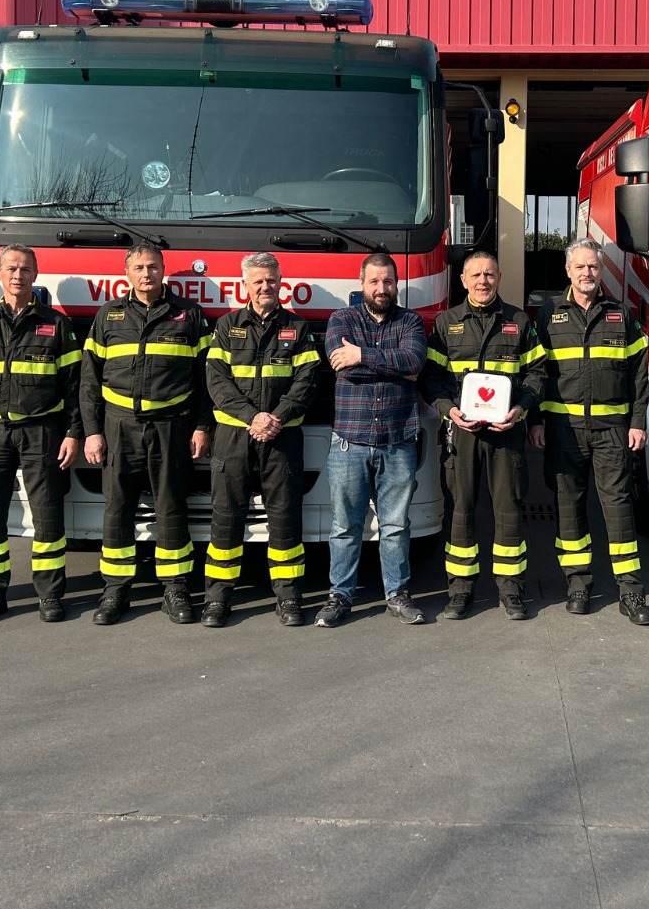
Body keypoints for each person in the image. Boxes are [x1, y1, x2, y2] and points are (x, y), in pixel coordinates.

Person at [80, 244, 212, 625]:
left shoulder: (189, 315)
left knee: (172, 506)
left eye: (152, 266)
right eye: (138, 267)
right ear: (127, 273)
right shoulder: (108, 315)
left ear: (163, 269)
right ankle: (115, 591)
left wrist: (202, 426)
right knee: (117, 507)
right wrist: (92, 431)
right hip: (119, 425)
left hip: (171, 425)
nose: (146, 273)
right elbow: (89, 379)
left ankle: (175, 588)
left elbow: (207, 378)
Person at [0, 245, 83, 624]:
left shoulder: (56, 324)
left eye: (25, 269)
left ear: (35, 275)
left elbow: (73, 386)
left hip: (41, 430)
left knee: (48, 514)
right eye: (10, 268)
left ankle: (49, 595)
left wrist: (73, 432)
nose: (18, 275)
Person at [530, 239, 649, 624]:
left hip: (611, 432)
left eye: (593, 267)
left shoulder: (621, 314)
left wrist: (638, 421)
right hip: (564, 430)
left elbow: (639, 374)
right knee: (569, 508)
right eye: (580, 267)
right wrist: (535, 420)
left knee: (619, 509)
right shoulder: (548, 315)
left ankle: (630, 591)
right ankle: (578, 584)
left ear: (601, 271)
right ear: (568, 271)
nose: (587, 273)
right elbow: (535, 372)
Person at [420, 251, 546, 621]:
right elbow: (431, 378)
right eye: (475, 275)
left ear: (499, 277)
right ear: (463, 280)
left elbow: (538, 373)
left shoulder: (519, 321)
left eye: (489, 274)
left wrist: (520, 410)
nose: (482, 281)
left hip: (506, 433)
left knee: (509, 510)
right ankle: (460, 591)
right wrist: (449, 410)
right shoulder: (446, 323)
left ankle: (511, 591)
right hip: (462, 433)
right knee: (460, 510)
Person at [203, 252, 321, 627]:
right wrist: (252, 416)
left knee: (285, 518)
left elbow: (308, 382)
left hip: (282, 438)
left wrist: (277, 417)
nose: (265, 286)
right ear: (245, 286)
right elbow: (217, 381)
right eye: (258, 281)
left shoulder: (298, 328)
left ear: (280, 283)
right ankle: (217, 599)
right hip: (234, 437)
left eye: (271, 280)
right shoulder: (226, 326)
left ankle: (289, 598)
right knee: (225, 518)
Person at [316, 252, 428, 627]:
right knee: (345, 527)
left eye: (388, 281)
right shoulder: (341, 319)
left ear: (396, 284)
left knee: (395, 526)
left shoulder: (411, 321)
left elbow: (414, 362)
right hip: (350, 441)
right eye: (375, 281)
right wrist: (392, 367)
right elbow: (341, 367)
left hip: (398, 441)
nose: (382, 288)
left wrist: (361, 355)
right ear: (362, 283)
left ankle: (397, 595)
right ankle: (340, 596)